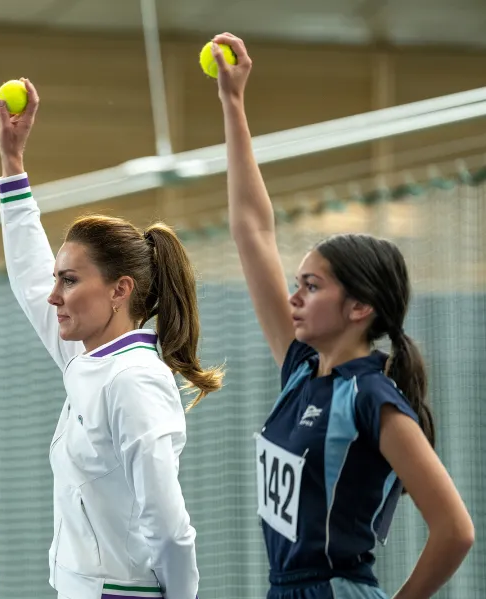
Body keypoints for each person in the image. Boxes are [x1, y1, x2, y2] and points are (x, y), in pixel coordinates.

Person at [210, 32, 475, 599]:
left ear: (359, 307)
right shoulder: (302, 370)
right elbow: (252, 230)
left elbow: (456, 530)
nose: (294, 298)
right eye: (297, 284)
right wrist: (233, 103)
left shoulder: (373, 399)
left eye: (311, 286)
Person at [0, 79, 223, 599]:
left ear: (120, 290)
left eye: (69, 281)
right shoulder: (87, 359)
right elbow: (29, 274)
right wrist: (13, 162)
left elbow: (169, 527)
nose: (53, 295)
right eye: (57, 278)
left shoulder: (134, 380)